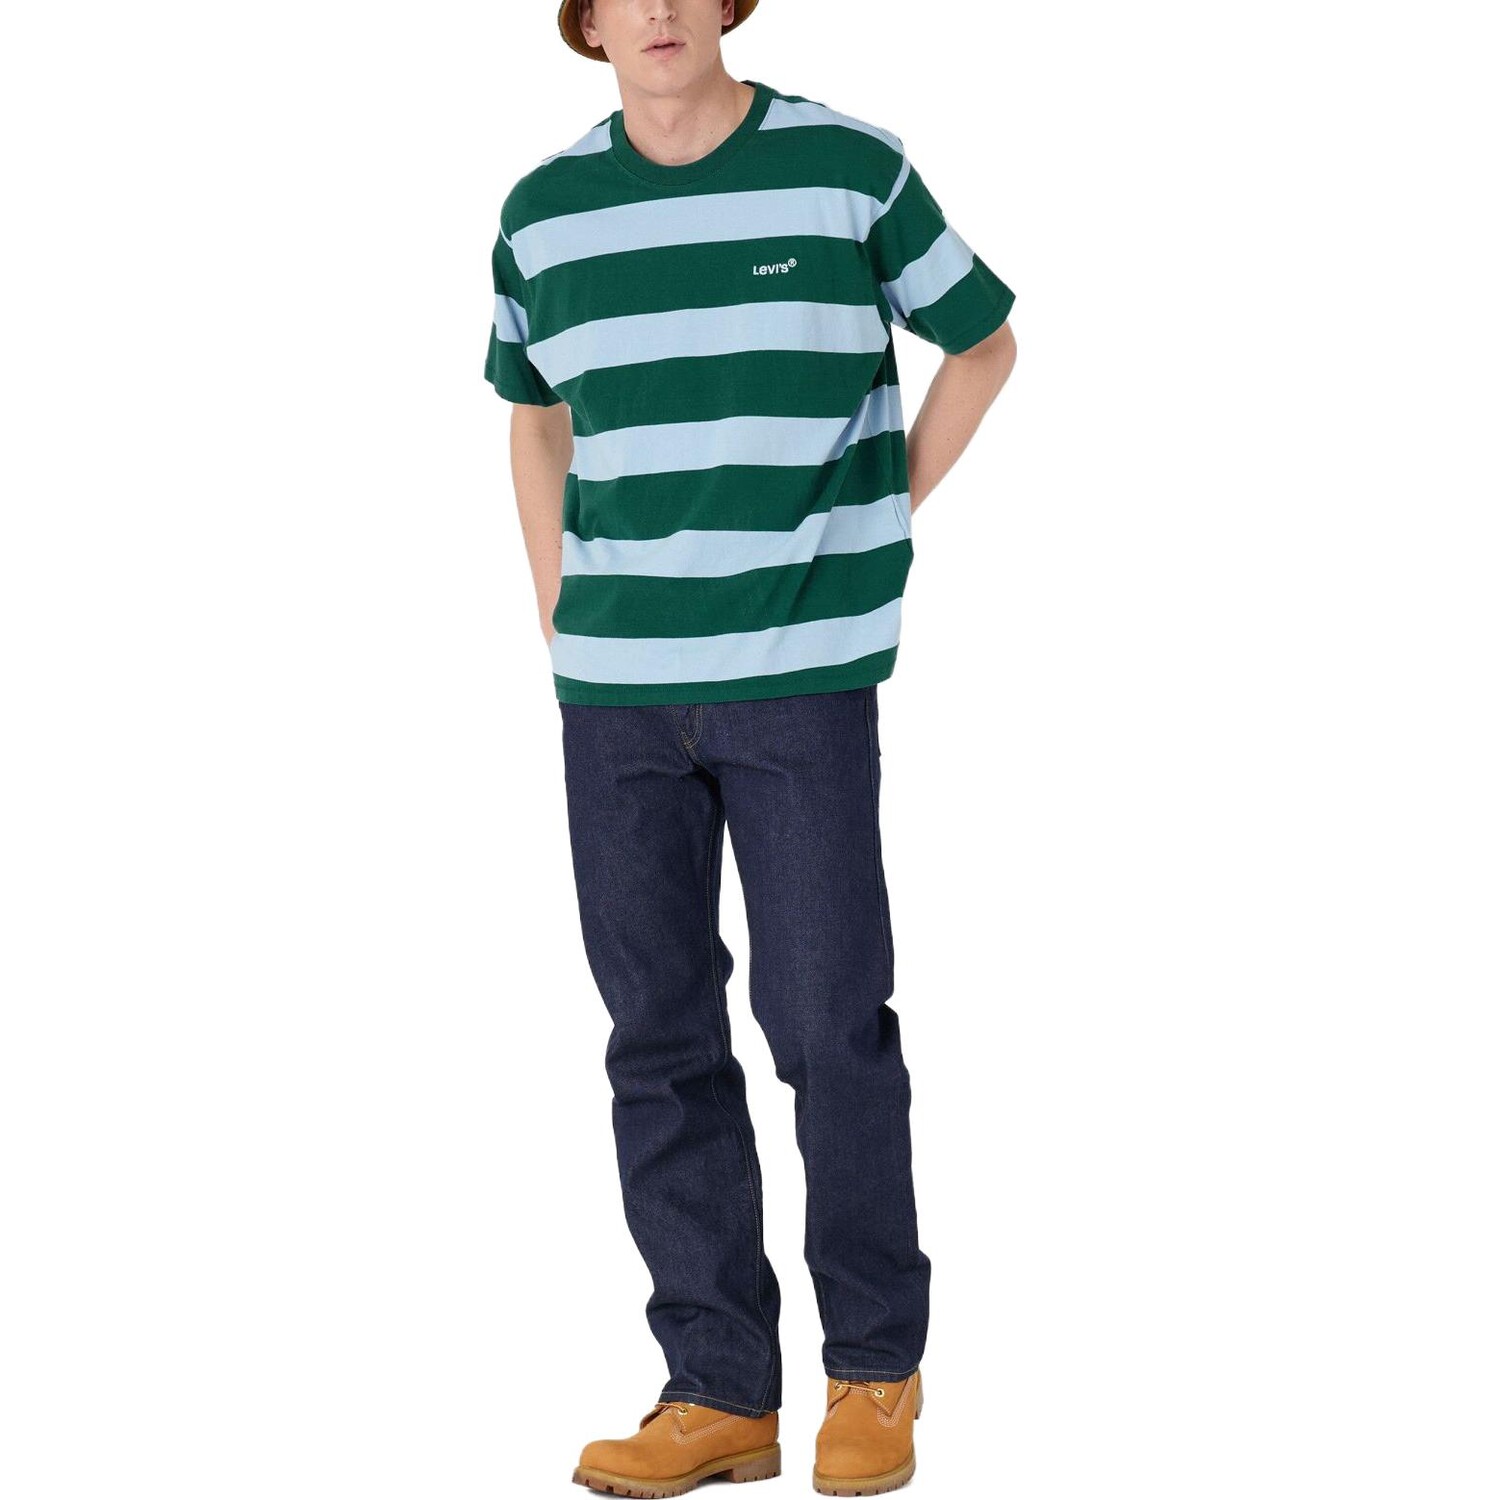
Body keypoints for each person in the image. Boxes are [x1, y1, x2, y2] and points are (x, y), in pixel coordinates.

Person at [484, 2, 1018, 1493]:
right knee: (658, 1041)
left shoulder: (847, 168)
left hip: (799, 680)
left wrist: (880, 520)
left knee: (827, 1023)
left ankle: (875, 1370)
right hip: (616, 695)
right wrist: (560, 614)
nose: (656, 11)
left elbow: (984, 343)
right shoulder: (542, 212)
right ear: (585, 19)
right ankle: (717, 1387)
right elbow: (534, 420)